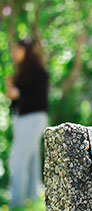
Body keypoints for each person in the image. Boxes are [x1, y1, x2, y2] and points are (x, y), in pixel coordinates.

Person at [6, 39, 48, 208]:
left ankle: (16, 201)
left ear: (27, 51)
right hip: (22, 118)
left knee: (19, 159)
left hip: (33, 118)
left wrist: (19, 94)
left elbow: (40, 99)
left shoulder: (38, 72)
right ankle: (32, 198)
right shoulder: (21, 72)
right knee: (30, 159)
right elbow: (16, 99)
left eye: (18, 49)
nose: (14, 52)